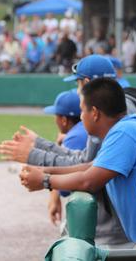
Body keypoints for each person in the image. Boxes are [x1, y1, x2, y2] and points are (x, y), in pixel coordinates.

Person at [0, 54, 136, 247]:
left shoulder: (120, 127)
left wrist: (43, 177)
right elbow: (91, 165)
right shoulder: (122, 120)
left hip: (131, 235)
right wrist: (44, 166)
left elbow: (89, 179)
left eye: (78, 85)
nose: (77, 93)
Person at [19, 77, 136, 246]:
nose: (81, 117)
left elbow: (89, 181)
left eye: (83, 110)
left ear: (95, 113)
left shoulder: (124, 133)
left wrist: (45, 181)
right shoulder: (128, 126)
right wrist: (44, 171)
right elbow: (89, 167)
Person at [43, 89, 88, 223]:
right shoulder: (81, 129)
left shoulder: (74, 137)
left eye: (56, 116)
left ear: (63, 120)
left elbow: (64, 188)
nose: (54, 120)